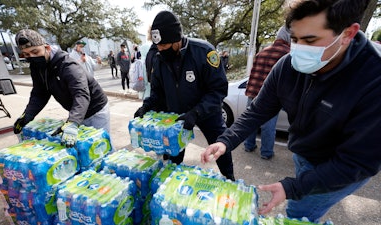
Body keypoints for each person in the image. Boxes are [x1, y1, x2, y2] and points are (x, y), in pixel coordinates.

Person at [201, 0, 380, 223]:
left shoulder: (373, 79)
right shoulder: (288, 65)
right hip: (303, 152)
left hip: (337, 167)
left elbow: (357, 163)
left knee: (298, 213)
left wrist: (292, 187)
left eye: (310, 40)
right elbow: (257, 110)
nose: (299, 49)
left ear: (347, 34)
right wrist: (226, 141)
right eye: (294, 39)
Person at [134, 11, 235, 181]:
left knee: (220, 147)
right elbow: (158, 93)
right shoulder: (159, 59)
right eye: (158, 47)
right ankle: (173, 182)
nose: (160, 50)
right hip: (177, 116)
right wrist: (147, 105)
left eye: (164, 46)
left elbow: (217, 90)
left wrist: (196, 113)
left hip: (207, 113)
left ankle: (230, 177)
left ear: (176, 39)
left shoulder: (203, 52)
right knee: (174, 155)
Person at [13, 29, 110, 147]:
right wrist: (28, 114)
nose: (32, 57)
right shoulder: (37, 67)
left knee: (100, 146)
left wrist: (73, 122)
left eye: (35, 51)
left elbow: (81, 94)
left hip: (95, 109)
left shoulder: (68, 65)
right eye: (27, 54)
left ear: (47, 48)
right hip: (76, 111)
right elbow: (40, 93)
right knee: (83, 149)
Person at [244, 26, 291, 160]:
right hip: (270, 96)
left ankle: (249, 145)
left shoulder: (262, 52)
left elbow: (252, 74)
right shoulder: (288, 54)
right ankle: (266, 152)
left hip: (253, 92)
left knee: (250, 121)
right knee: (268, 126)